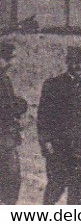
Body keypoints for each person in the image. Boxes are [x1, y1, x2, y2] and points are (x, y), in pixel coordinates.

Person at [37, 45, 81, 205]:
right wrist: (45, 141)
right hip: (59, 146)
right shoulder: (53, 85)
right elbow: (43, 117)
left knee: (78, 190)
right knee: (56, 186)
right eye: (75, 62)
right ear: (68, 62)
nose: (79, 66)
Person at [0, 42, 27, 204]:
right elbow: (6, 106)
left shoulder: (4, 78)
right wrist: (21, 105)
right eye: (8, 59)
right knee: (11, 180)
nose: (11, 63)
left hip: (6, 136)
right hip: (3, 138)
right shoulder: (2, 79)